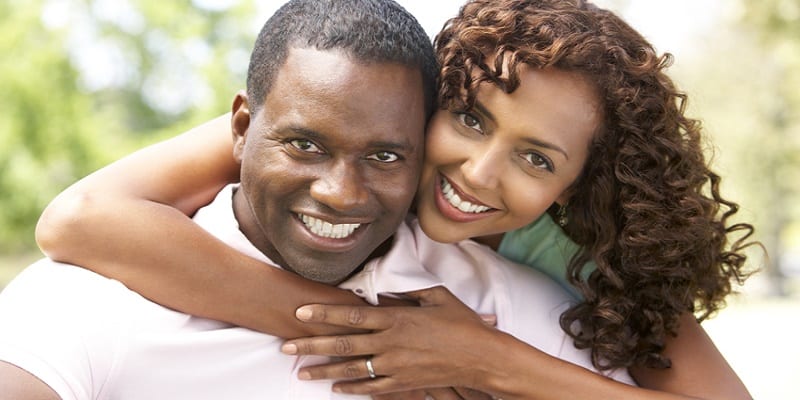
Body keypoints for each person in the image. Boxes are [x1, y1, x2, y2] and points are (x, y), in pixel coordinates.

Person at [32, 0, 758, 399]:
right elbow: (81, 220)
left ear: (578, 185)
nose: (478, 172)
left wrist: (481, 359)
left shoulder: (584, 260)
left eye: (537, 159)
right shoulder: (341, 124)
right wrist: (380, 336)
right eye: (469, 119)